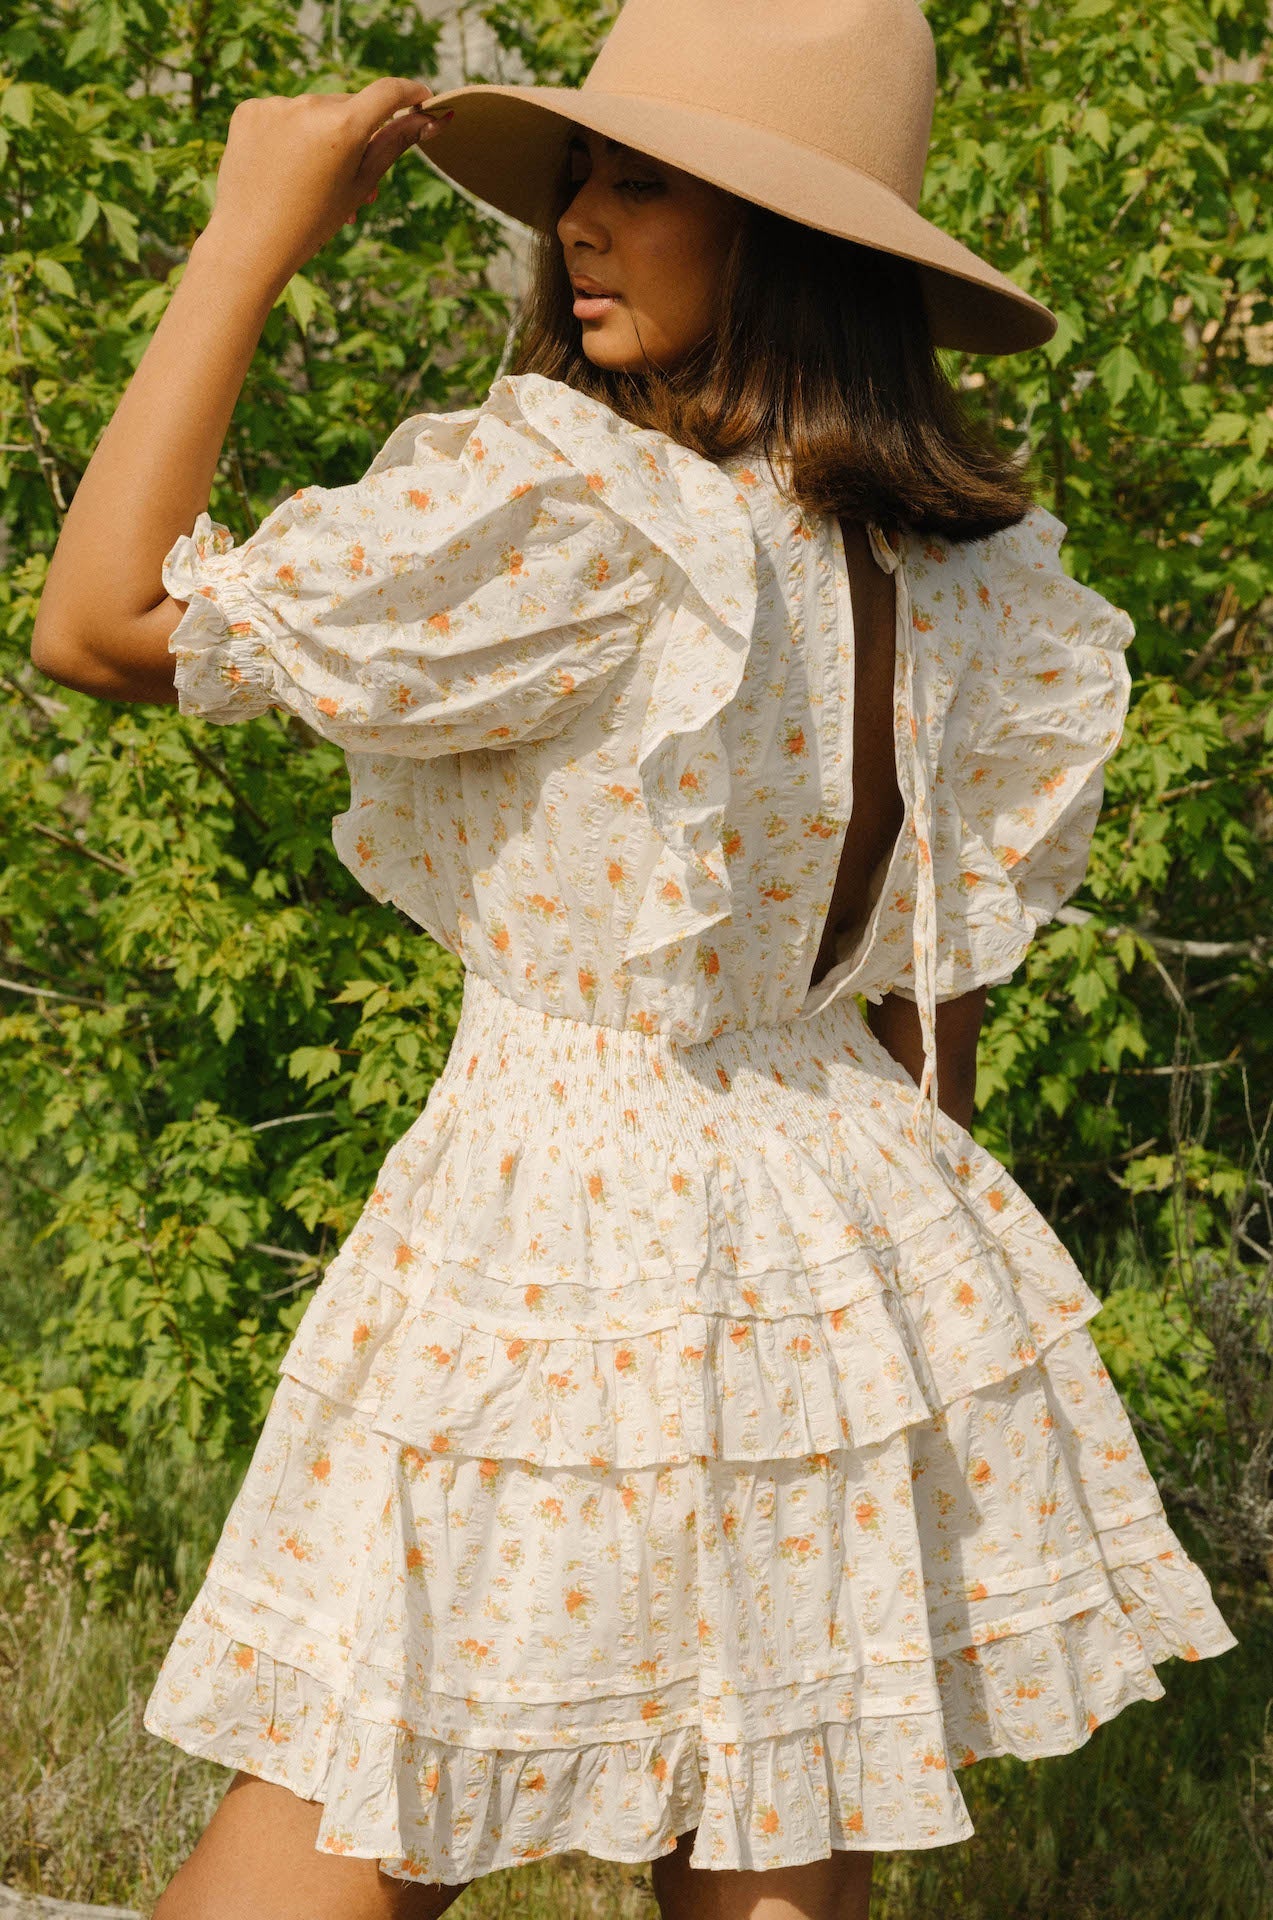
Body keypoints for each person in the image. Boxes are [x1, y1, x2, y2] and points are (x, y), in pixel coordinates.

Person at [31, 1, 1238, 1916]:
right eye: (582, 172)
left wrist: (246, 227)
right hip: (844, 1239)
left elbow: (94, 625)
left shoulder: (585, 514)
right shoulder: (970, 576)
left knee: (357, 1821)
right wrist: (890, 1342)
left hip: (567, 1239)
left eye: (647, 180)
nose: (582, 219)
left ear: (791, 239)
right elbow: (934, 993)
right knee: (763, 1864)